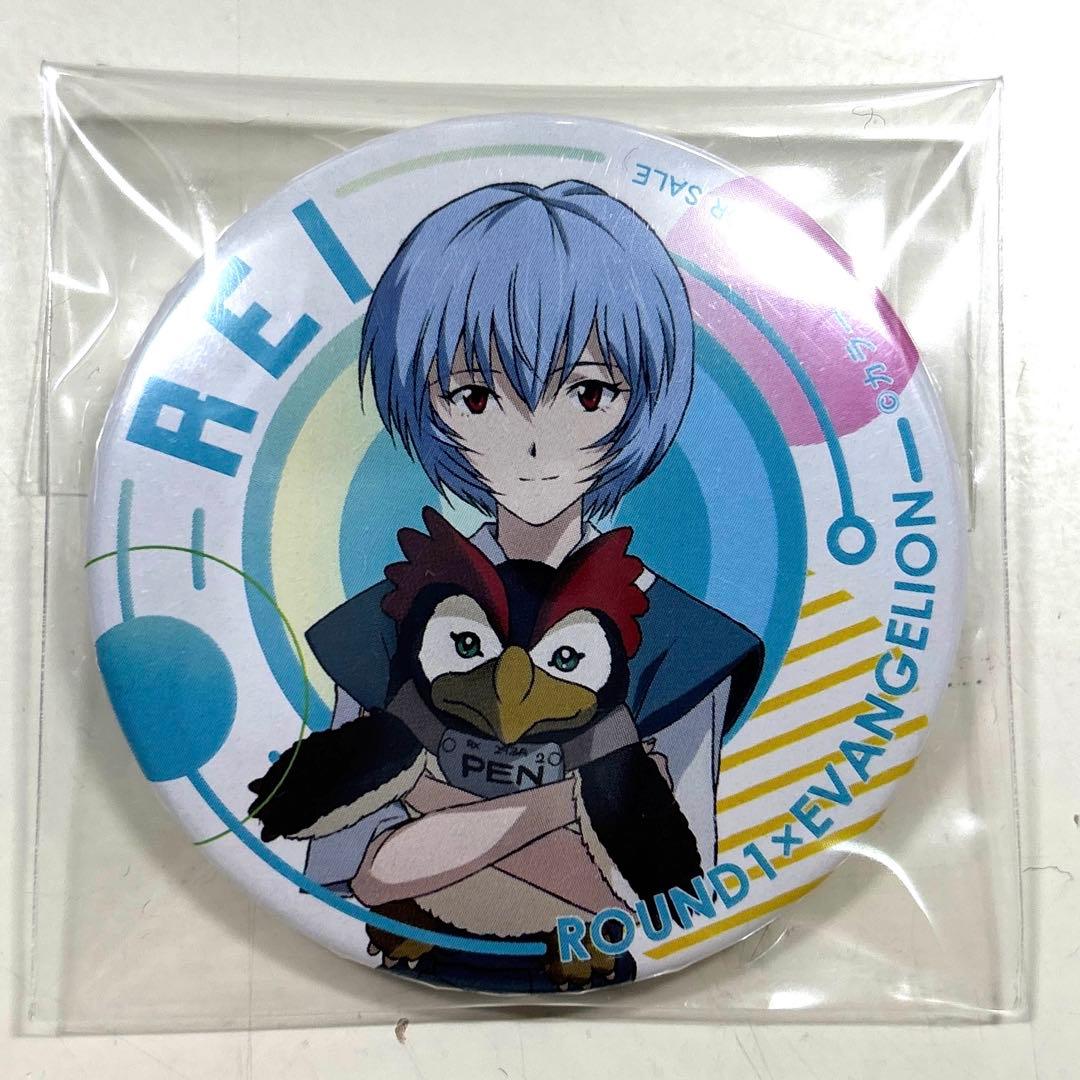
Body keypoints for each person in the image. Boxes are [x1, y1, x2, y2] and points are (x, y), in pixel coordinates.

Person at [302, 180, 764, 971]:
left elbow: (668, 895)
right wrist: (563, 809)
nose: (534, 443)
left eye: (587, 392)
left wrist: (428, 812)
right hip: (398, 972)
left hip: (600, 974)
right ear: (428, 403)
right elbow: (347, 869)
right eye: (477, 395)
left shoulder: (685, 644)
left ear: (642, 397)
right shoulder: (387, 624)